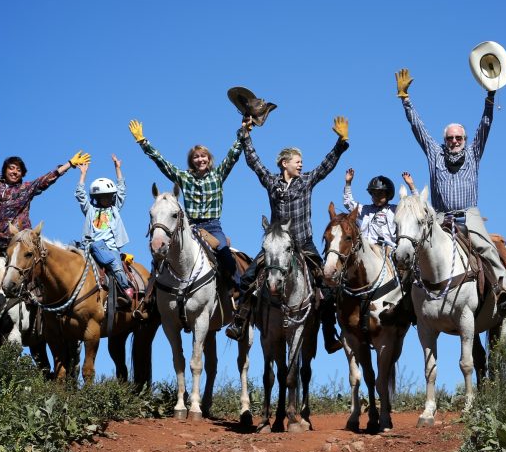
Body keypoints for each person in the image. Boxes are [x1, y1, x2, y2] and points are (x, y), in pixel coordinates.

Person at [228, 115, 350, 353]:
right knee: (247, 278)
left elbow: (326, 165)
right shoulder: (271, 182)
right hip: (276, 247)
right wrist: (245, 135)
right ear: (284, 163)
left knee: (327, 285)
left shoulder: (306, 181)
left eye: (302, 161)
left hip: (304, 244)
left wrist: (341, 143)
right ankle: (239, 321)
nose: (301, 164)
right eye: (297, 161)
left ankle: (328, 334)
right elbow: (254, 162)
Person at [394, 68, 506, 309]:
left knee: (487, 248)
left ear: (465, 140)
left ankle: (504, 291)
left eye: (459, 138)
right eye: (450, 138)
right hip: (439, 217)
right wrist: (406, 101)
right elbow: (419, 129)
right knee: (415, 249)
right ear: (445, 140)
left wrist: (490, 97)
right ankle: (406, 301)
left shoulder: (473, 153)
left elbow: (485, 125)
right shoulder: (435, 154)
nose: (455, 142)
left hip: (468, 214)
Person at [131, 118, 243, 291]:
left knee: (226, 256)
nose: (200, 160)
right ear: (192, 161)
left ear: (209, 159)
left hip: (213, 228)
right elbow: (163, 163)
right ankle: (151, 297)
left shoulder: (218, 175)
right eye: (196, 157)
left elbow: (233, 155)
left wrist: (243, 133)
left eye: (203, 156)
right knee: (161, 257)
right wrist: (143, 142)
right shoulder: (184, 177)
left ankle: (237, 291)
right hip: (190, 228)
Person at [0, 132, 89, 253]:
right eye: (11, 168)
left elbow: (47, 178)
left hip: (20, 245)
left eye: (19, 170)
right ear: (5, 170)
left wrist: (70, 164)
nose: (15, 172)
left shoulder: (25, 188)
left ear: (22, 174)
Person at [76, 156, 134, 302]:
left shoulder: (114, 209)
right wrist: (83, 174)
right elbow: (80, 195)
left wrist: (118, 168)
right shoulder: (90, 210)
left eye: (109, 196)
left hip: (110, 248)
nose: (107, 199)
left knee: (116, 265)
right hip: (91, 246)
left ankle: (125, 288)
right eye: (103, 197)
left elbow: (122, 190)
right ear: (96, 198)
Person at [342, 168, 398, 248]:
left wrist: (411, 186)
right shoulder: (365, 210)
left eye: (380, 193)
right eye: (374, 194)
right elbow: (348, 203)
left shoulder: (395, 210)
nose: (377, 197)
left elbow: (414, 209)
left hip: (389, 251)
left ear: (388, 194)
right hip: (368, 250)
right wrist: (348, 183)